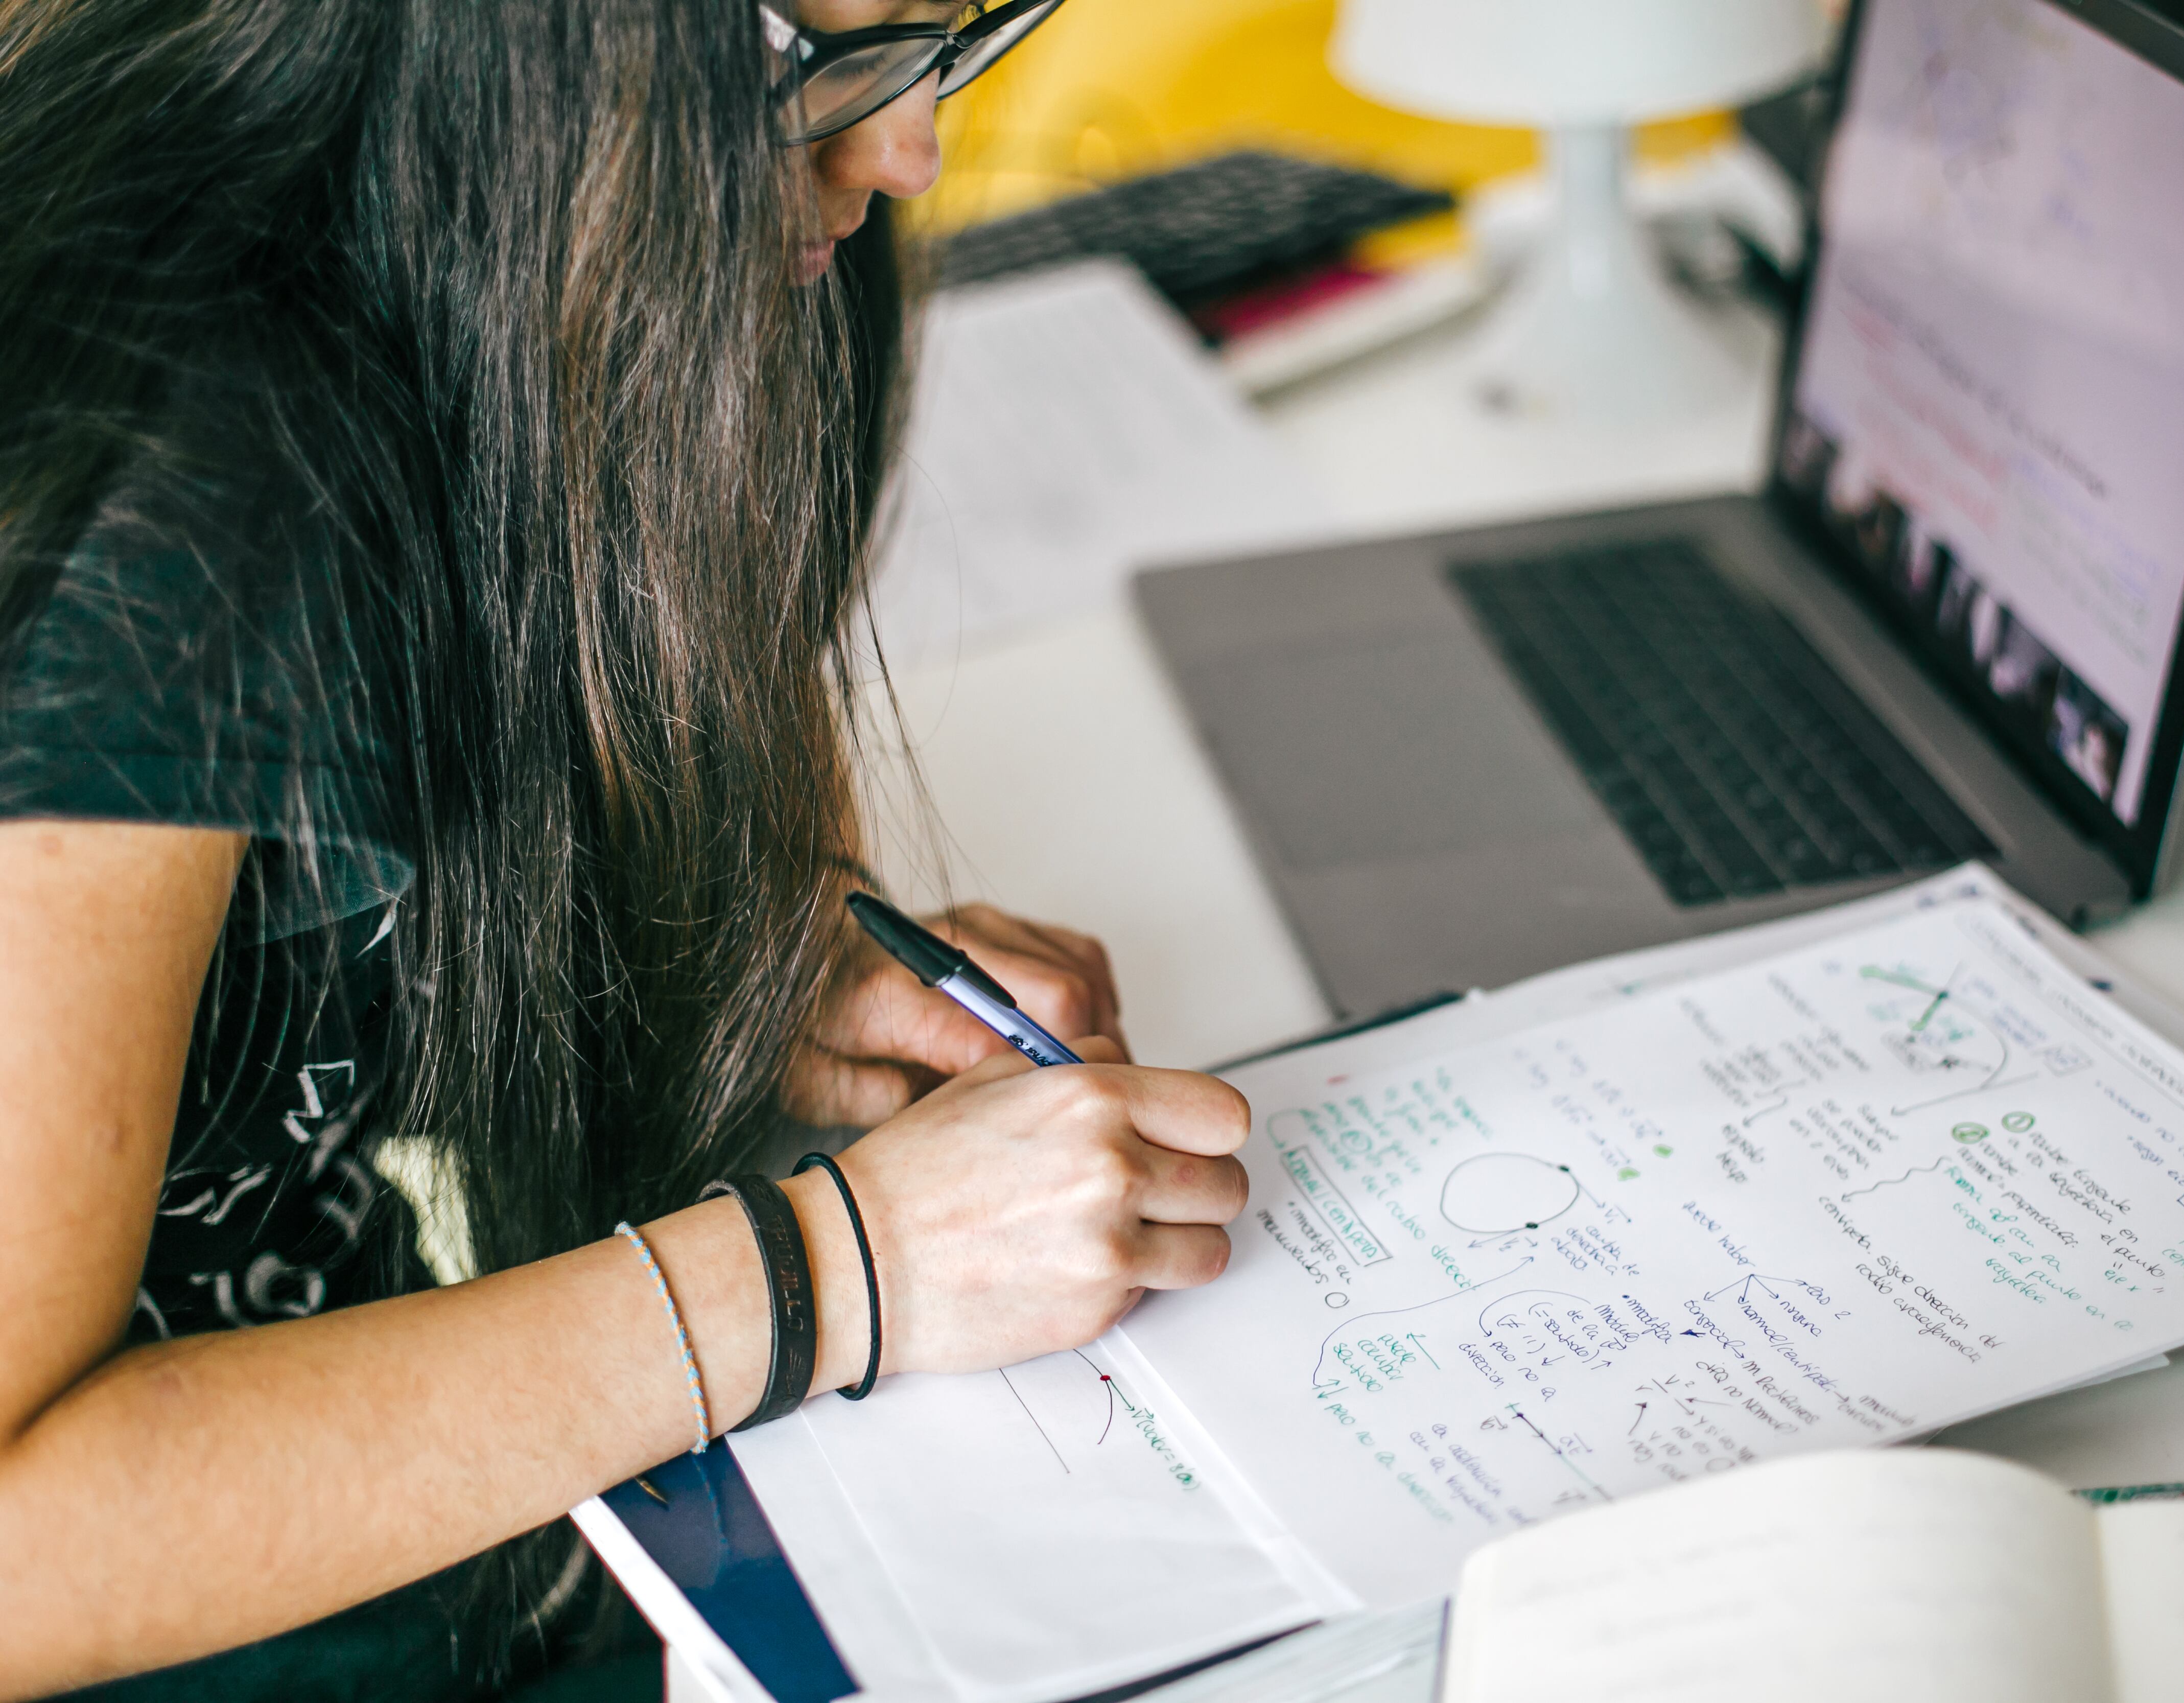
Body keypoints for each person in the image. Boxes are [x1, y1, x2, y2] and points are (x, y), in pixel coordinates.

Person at [0, 1, 1253, 1696]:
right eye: (833, 67)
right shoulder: (160, 520)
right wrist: (844, 1271)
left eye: (942, 41)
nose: (905, 157)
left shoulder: (562, 276)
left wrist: (760, 957)